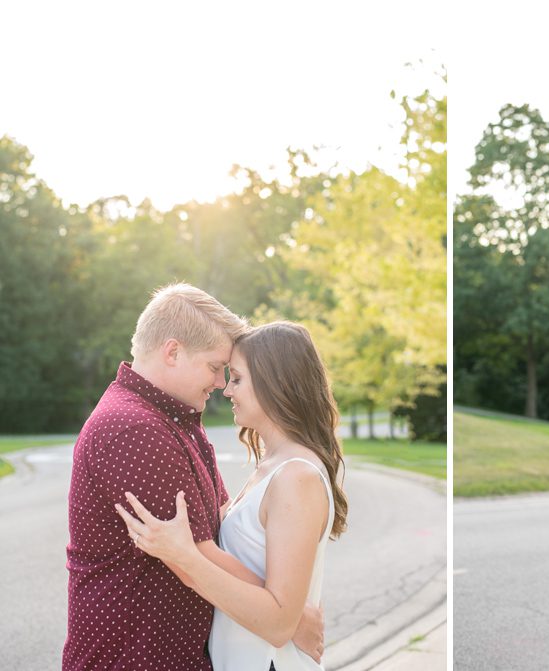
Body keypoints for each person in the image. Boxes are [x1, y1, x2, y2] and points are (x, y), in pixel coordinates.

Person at [63, 285, 324, 671]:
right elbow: (192, 556)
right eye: (215, 367)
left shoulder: (178, 420)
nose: (221, 383)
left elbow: (216, 523)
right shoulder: (133, 428)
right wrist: (291, 618)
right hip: (133, 658)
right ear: (173, 352)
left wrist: (283, 613)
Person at [116, 321, 348, 671]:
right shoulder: (272, 465)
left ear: (275, 384)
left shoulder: (296, 477)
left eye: (237, 378)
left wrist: (185, 557)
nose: (226, 389)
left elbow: (278, 623)